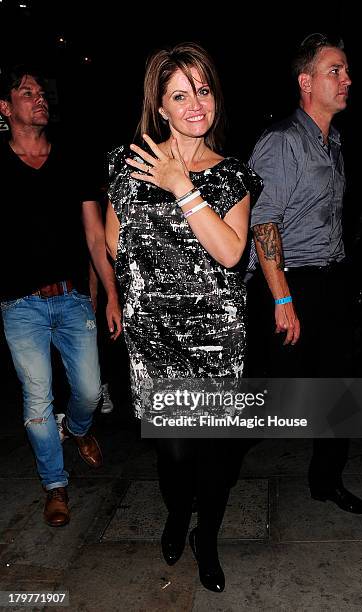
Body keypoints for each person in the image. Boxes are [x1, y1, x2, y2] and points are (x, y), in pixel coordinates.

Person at [106, 42, 260, 593]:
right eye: (180, 93)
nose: (196, 102)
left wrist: (179, 186)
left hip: (216, 340)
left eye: (203, 89)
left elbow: (230, 252)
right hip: (155, 341)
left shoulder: (232, 175)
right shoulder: (128, 165)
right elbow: (113, 240)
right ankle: (177, 516)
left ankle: (208, 537)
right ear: (160, 107)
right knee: (173, 457)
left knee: (216, 461)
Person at [248, 33, 362, 514]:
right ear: (306, 82)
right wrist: (282, 300)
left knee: (343, 388)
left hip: (331, 282)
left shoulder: (333, 141)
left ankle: (327, 480)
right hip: (290, 283)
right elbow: (263, 222)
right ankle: (209, 472)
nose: (346, 79)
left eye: (346, 70)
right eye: (334, 71)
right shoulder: (283, 141)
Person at [0, 65, 122, 527]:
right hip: (19, 305)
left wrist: (110, 294)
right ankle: (55, 485)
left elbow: (95, 238)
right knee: (36, 402)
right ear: (5, 108)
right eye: (26, 93)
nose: (39, 98)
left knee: (90, 393)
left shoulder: (72, 160)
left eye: (41, 91)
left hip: (72, 299)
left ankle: (78, 428)